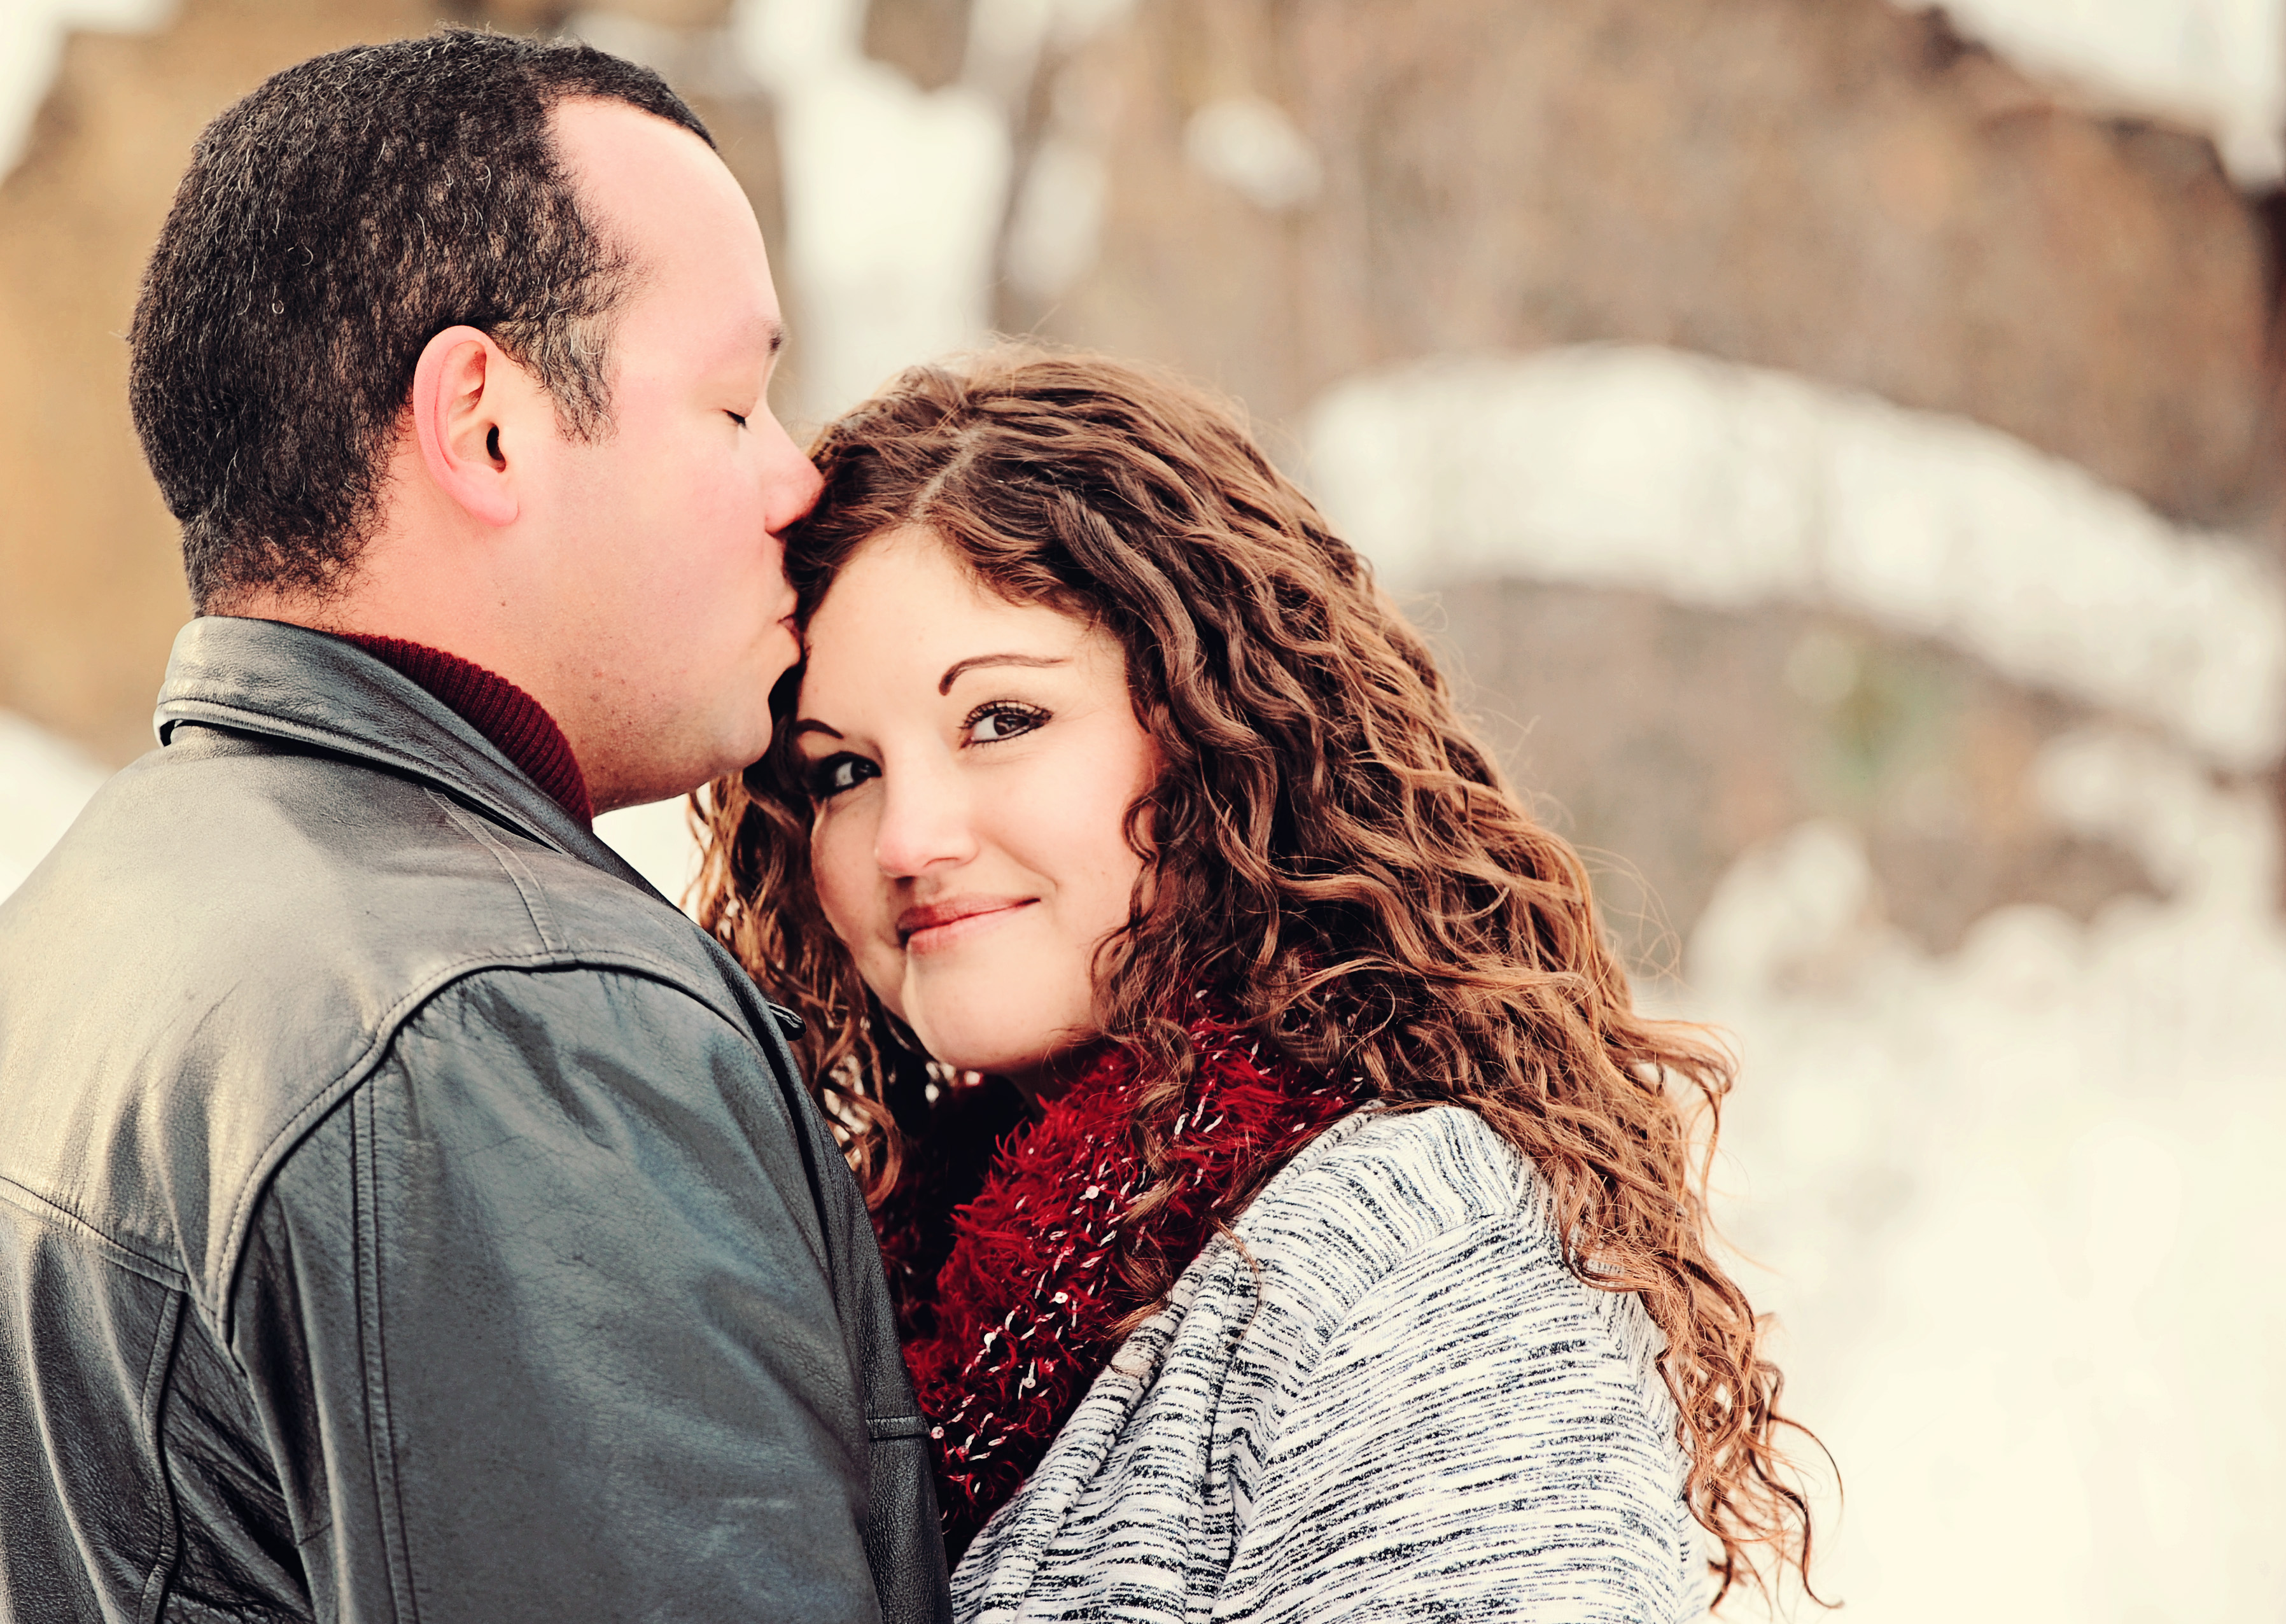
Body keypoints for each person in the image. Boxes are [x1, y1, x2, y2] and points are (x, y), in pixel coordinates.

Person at [0, 31, 948, 1623]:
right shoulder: (505, 1022)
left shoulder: (103, 907)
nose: (797, 479)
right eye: (733, 403)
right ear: (487, 426)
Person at [695, 349, 1821, 1620]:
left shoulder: (1405, 1252)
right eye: (842, 770)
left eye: (1000, 720)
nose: (906, 838)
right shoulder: (883, 1283)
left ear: (1217, 731)